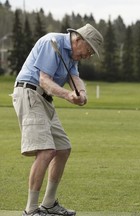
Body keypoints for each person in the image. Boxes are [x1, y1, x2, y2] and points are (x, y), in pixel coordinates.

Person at [12, 24, 103, 216]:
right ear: (78, 40)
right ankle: (31, 210)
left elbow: (75, 77)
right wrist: (69, 96)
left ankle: (49, 204)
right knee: (46, 150)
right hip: (30, 93)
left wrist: (83, 94)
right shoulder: (51, 42)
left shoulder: (72, 54)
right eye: (88, 50)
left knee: (63, 148)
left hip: (45, 99)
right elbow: (44, 80)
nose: (88, 56)